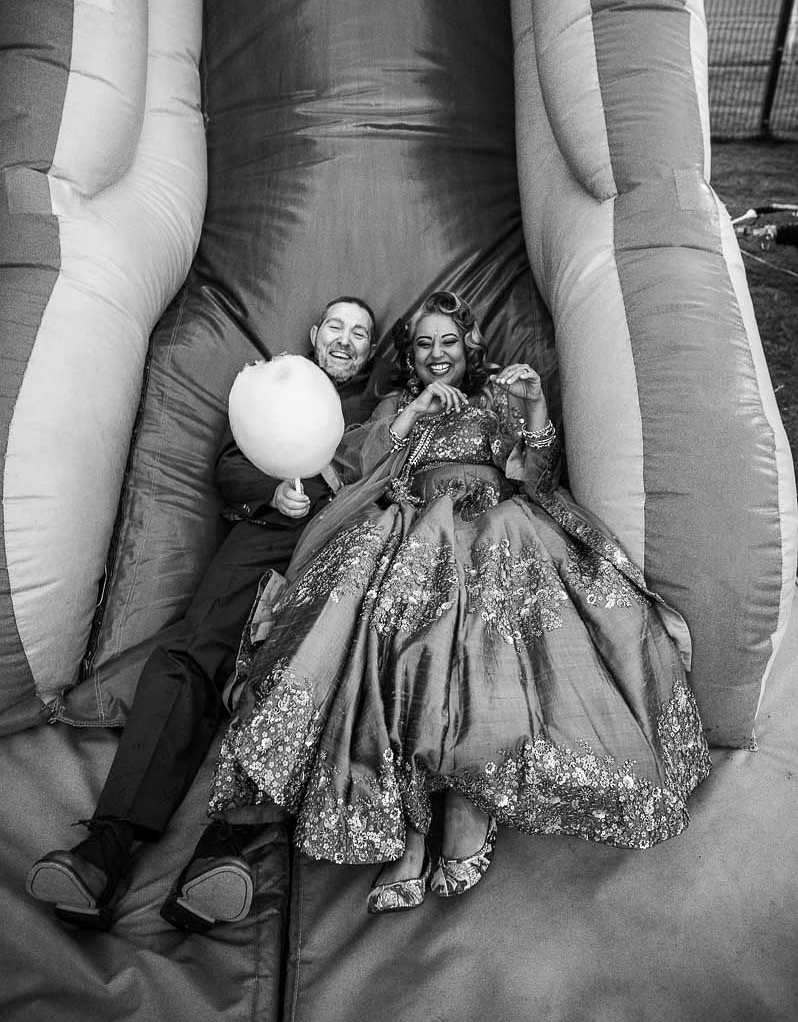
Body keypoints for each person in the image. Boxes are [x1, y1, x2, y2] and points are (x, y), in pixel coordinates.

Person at [206, 289, 711, 915]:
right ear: (410, 361)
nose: (437, 354)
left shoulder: (493, 400)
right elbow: (357, 469)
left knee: (487, 576)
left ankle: (463, 800)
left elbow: (539, 475)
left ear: (468, 348)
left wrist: (532, 409)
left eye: (449, 342)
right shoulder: (396, 405)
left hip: (494, 520)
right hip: (415, 521)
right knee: (391, 601)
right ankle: (413, 812)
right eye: (423, 346)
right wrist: (413, 412)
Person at [26, 296, 388, 931]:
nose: (346, 339)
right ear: (314, 333)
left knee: (297, 678)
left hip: (337, 550)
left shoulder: (378, 406)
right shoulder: (273, 390)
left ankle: (220, 854)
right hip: (262, 539)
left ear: (370, 350)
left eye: (360, 333)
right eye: (336, 324)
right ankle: (104, 850)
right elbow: (228, 467)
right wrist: (273, 488)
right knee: (189, 656)